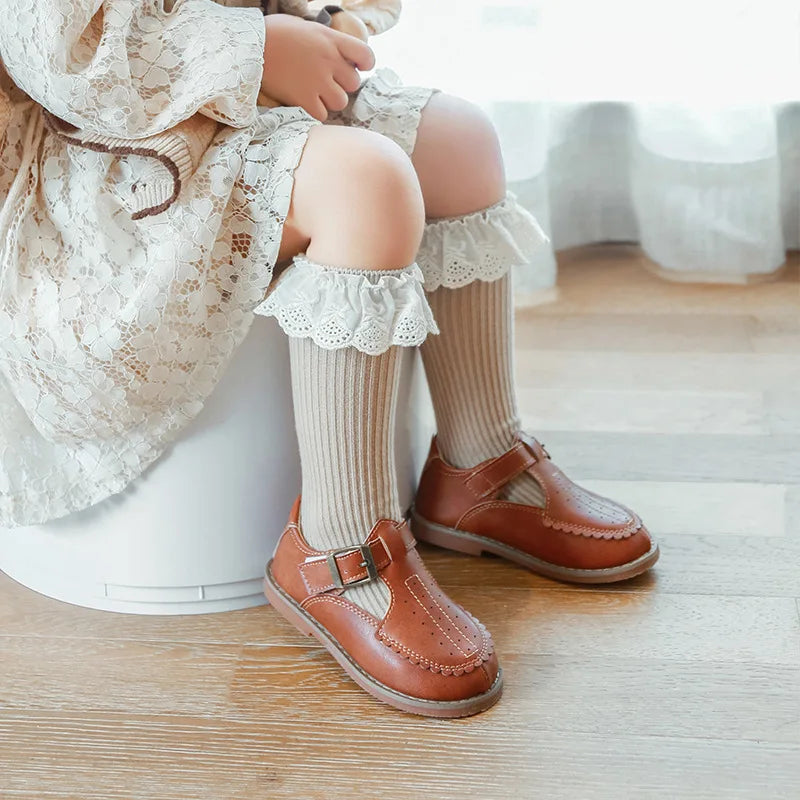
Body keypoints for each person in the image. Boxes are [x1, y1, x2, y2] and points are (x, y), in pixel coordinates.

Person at [0, 0, 659, 718]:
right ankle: (339, 548)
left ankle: (478, 467)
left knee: (464, 145)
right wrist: (253, 48)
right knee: (366, 187)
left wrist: (319, 18)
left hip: (243, 105)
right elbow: (55, 45)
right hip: (115, 154)